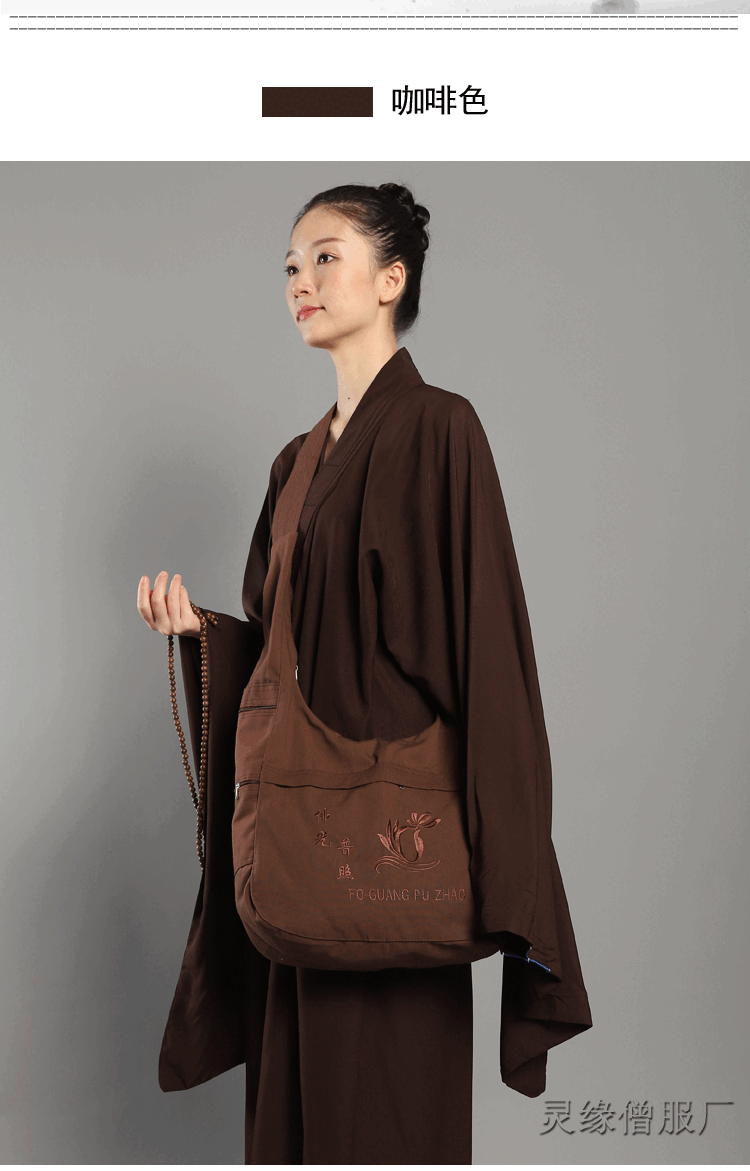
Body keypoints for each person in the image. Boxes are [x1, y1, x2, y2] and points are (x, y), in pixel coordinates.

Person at [137, 181, 593, 1164]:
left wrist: (517, 879)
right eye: (289, 265)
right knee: (294, 1116)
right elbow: (277, 654)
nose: (299, 280)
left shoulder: (442, 429)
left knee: (388, 1114)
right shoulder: (294, 463)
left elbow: (490, 653)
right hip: (298, 846)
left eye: (325, 256)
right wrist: (201, 633)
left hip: (395, 853)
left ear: (392, 278)